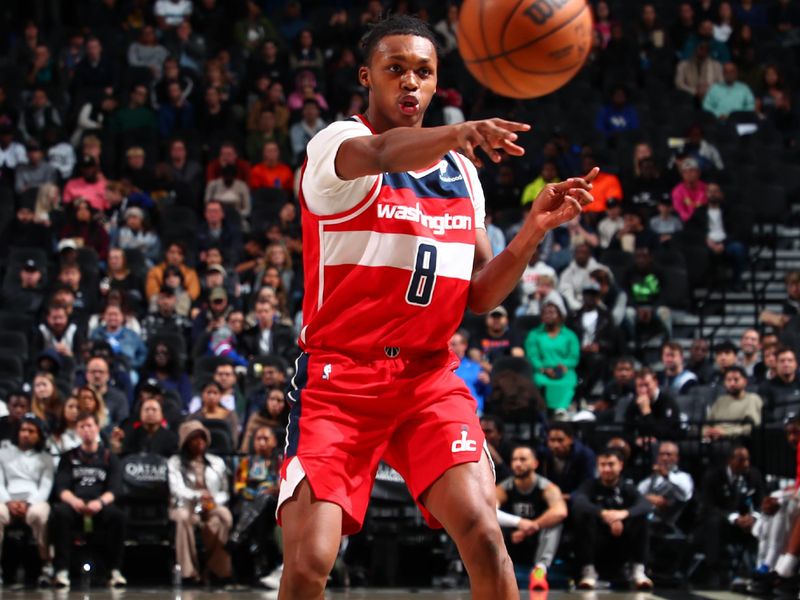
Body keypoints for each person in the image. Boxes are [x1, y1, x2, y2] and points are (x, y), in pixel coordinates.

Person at [276, 14, 598, 599]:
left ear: (435, 83)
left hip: (426, 377)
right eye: (395, 69)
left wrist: (529, 233)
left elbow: (477, 294)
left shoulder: (462, 175)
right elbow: (381, 151)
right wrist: (459, 131)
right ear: (367, 77)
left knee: (482, 532)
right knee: (308, 562)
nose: (410, 83)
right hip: (341, 376)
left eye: (423, 72)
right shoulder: (335, 145)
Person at [49, 412, 126, 588]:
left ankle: (114, 571)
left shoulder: (109, 457)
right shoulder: (68, 457)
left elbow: (115, 489)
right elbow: (61, 488)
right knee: (59, 513)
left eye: (89, 425)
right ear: (77, 430)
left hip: (100, 504)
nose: (86, 430)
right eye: (82, 426)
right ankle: (61, 571)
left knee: (118, 517)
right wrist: (75, 501)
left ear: (97, 428)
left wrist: (99, 502)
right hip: (75, 504)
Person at [572, 448, 654, 590]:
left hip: (623, 539)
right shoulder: (590, 485)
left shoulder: (627, 487)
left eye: (611, 464)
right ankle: (588, 572)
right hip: (597, 539)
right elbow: (578, 501)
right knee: (582, 515)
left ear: (620, 465)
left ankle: (638, 571)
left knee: (642, 518)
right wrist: (603, 514)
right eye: (603, 465)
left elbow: (645, 504)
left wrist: (623, 514)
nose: (607, 469)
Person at [495, 446, 567, 591]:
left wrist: (533, 526)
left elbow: (560, 512)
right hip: (512, 538)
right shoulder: (503, 488)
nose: (517, 463)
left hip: (537, 539)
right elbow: (490, 512)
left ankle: (539, 571)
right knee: (488, 523)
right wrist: (519, 523)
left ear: (535, 463)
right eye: (514, 459)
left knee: (555, 525)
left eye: (523, 459)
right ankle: (495, 570)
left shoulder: (547, 487)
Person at [168, 420, 232, 583]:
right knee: (183, 518)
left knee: (224, 517)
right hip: (184, 505)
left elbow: (225, 491)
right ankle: (188, 572)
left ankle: (214, 568)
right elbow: (176, 489)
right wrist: (198, 495)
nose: (199, 442)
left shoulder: (217, 462)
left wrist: (212, 499)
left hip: (211, 505)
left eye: (202, 438)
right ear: (185, 441)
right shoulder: (175, 462)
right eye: (194, 438)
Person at [698, 446, 765, 586]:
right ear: (730, 460)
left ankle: (759, 568)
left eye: (747, 460)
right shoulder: (713, 476)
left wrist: (753, 517)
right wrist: (734, 518)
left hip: (747, 521)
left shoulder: (754, 475)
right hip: (723, 519)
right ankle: (714, 569)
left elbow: (761, 503)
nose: (746, 464)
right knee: (713, 521)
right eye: (741, 460)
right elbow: (708, 506)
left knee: (764, 522)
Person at [0, 413, 54, 584]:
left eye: (31, 431)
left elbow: (46, 486)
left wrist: (29, 503)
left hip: (34, 501)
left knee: (40, 514)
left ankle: (47, 565)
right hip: (6, 500)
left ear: (38, 435)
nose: (26, 434)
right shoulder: (3, 452)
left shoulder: (46, 458)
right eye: (23, 430)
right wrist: (8, 501)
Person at [525, 302, 580, 415]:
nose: (548, 315)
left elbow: (574, 356)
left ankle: (562, 409)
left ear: (560, 316)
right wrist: (543, 369)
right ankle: (544, 410)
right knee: (539, 380)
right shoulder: (534, 334)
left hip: (565, 370)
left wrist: (564, 365)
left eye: (551, 312)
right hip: (542, 371)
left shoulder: (570, 335)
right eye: (545, 313)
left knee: (568, 381)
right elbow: (532, 355)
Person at [637, 441, 694, 530]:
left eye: (668, 454)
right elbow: (638, 492)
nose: (664, 458)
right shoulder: (652, 478)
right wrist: (647, 498)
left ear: (676, 458)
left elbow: (685, 494)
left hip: (672, 526)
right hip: (648, 524)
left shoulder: (683, 477)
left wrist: (665, 474)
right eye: (661, 454)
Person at [538, 423, 596, 500]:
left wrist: (570, 496)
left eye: (560, 440)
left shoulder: (585, 455)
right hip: (549, 496)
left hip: (575, 498)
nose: (556, 445)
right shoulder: (542, 455)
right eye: (552, 440)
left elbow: (588, 483)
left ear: (570, 440)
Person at [704, 366, 763, 440]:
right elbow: (707, 423)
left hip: (738, 440)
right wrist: (707, 432)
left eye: (736, 379)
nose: (732, 383)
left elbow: (751, 428)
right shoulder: (720, 401)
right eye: (728, 380)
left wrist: (725, 433)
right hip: (714, 440)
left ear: (745, 381)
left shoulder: (752, 399)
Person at [625, 367, 681, 444]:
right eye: (640, 386)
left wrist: (647, 413)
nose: (643, 390)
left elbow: (665, 434)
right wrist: (636, 440)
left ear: (655, 383)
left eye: (646, 385)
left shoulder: (667, 401)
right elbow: (627, 430)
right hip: (641, 443)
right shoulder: (634, 402)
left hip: (663, 443)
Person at [449, 330, 490, 415]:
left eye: (453, 344)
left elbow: (487, 393)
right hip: (449, 410)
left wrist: (487, 383)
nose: (450, 348)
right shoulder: (442, 367)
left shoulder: (475, 367)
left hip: (472, 412)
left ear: (464, 346)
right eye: (448, 344)